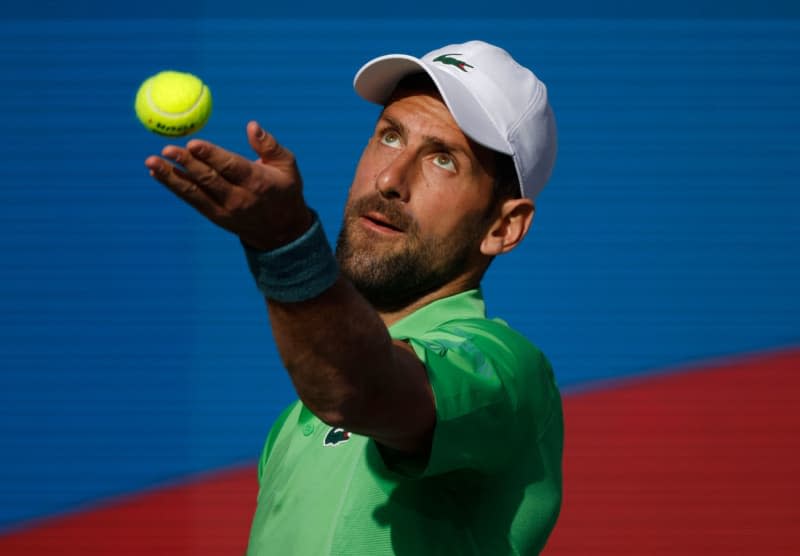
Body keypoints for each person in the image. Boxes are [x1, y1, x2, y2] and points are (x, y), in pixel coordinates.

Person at [145, 40, 563, 555]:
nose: (390, 179)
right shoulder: (294, 421)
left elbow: (357, 391)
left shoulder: (508, 370)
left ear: (503, 226)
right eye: (390, 136)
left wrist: (286, 246)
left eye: (444, 160)